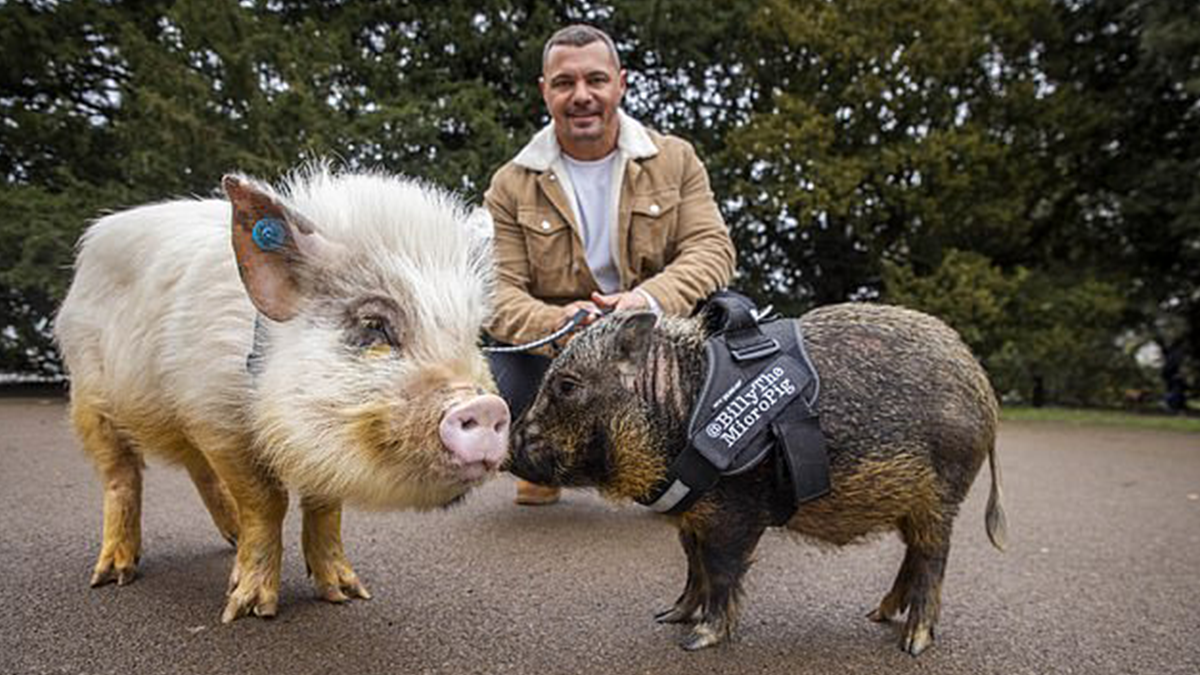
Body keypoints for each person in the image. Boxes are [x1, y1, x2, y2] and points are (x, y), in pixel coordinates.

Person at [485, 24, 736, 505]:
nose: (581, 95)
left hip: (658, 341)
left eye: (595, 80)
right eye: (564, 83)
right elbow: (496, 291)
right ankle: (546, 461)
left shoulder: (676, 159)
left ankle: (678, 469)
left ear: (620, 83)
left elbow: (711, 248)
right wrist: (557, 323)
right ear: (545, 91)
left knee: (727, 336)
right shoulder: (510, 183)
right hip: (557, 350)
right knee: (495, 385)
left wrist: (644, 302)